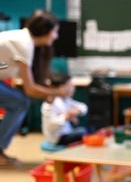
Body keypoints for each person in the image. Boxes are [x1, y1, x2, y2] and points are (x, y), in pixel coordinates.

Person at [0, 10, 67, 166]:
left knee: (19, 101)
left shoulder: (24, 40)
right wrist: (58, 92)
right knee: (20, 103)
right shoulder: (24, 44)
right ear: (45, 31)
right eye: (55, 32)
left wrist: (48, 92)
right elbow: (30, 89)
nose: (56, 36)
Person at [41, 73, 88, 146]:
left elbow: (83, 107)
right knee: (83, 132)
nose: (72, 88)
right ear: (56, 88)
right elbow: (51, 125)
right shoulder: (49, 104)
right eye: (68, 86)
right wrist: (66, 116)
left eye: (72, 86)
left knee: (88, 130)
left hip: (67, 133)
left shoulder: (66, 100)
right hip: (57, 138)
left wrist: (77, 110)